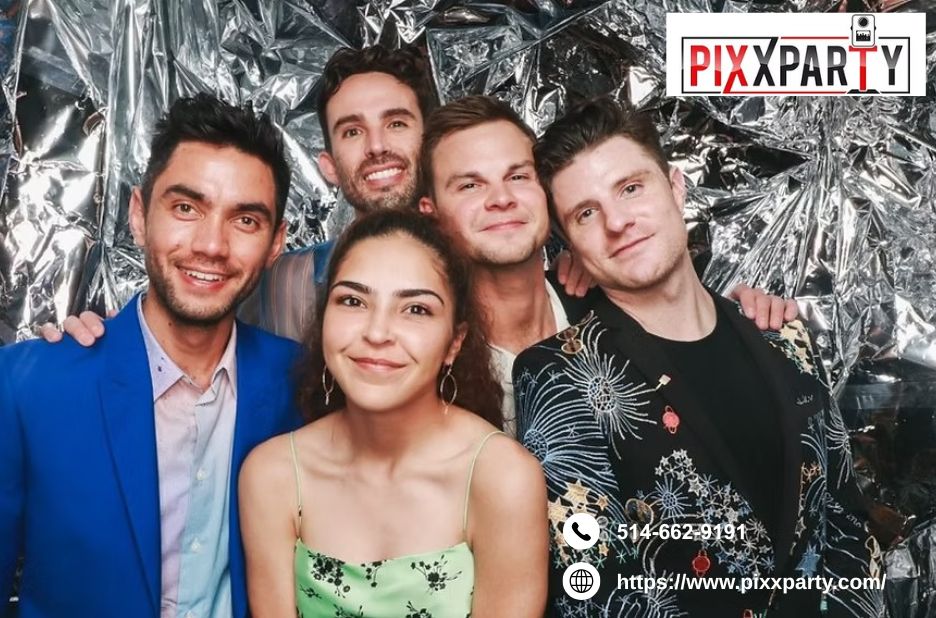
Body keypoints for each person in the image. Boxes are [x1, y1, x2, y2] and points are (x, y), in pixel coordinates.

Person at [513, 96, 884, 617]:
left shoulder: (783, 337)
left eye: (631, 188)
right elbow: (591, 590)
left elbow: (847, 523)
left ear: (676, 186)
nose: (617, 222)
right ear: (569, 242)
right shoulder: (558, 375)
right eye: (586, 213)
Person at [0, 94, 302, 618]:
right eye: (186, 208)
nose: (212, 245)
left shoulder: (303, 383)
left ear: (276, 243)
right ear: (139, 216)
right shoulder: (29, 385)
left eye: (245, 220)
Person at [418, 95, 799, 437]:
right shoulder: (422, 356)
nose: (501, 198)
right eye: (469, 186)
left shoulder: (618, 299)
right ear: (431, 214)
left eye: (518, 176)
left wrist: (741, 323)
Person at [238, 209, 548, 617]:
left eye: (416, 309)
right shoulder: (273, 474)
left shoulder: (502, 477)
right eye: (352, 301)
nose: (377, 332)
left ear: (455, 342)